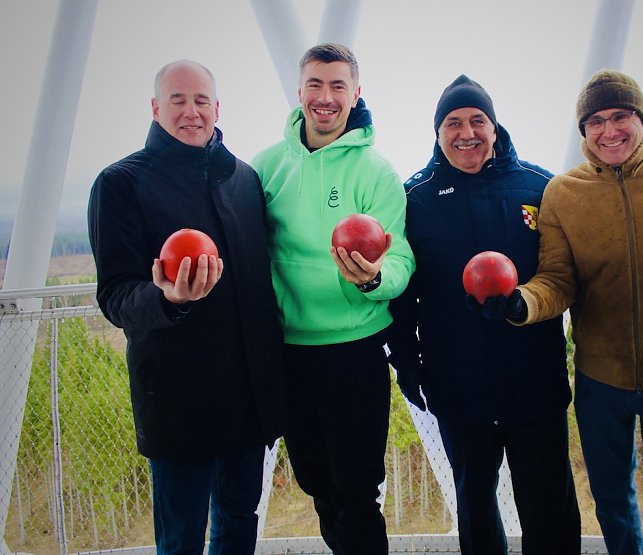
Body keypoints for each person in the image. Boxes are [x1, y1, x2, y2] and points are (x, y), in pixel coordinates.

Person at [475, 69, 643, 555]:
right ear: (584, 131)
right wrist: (521, 303)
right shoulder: (564, 193)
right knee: (612, 503)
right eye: (596, 121)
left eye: (621, 116)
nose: (609, 131)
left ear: (641, 120)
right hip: (600, 382)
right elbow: (557, 280)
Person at [87, 60, 286, 554]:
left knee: (238, 523)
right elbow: (115, 295)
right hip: (178, 398)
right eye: (178, 100)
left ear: (217, 108)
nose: (191, 112)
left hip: (246, 398)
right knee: (180, 539)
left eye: (201, 101)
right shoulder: (120, 184)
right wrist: (168, 299)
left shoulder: (244, 179)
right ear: (156, 109)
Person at [388, 74, 581, 555]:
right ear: (437, 133)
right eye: (453, 123)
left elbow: (564, 274)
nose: (466, 132)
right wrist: (406, 361)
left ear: (495, 127)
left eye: (478, 120)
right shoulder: (415, 198)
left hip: (535, 379)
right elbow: (403, 293)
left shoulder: (539, 187)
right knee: (475, 504)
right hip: (459, 384)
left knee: (549, 505)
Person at [250, 43, 414, 555]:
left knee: (357, 492)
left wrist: (372, 280)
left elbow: (400, 259)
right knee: (317, 483)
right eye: (316, 85)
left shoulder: (377, 172)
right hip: (289, 352)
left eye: (338, 86)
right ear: (299, 92)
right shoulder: (266, 167)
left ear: (356, 94)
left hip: (354, 352)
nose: (326, 97)